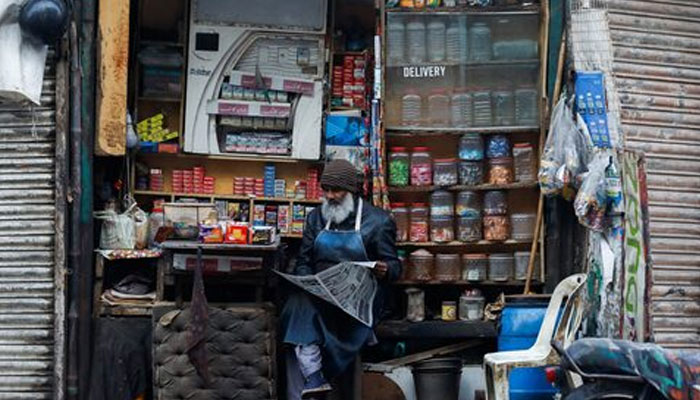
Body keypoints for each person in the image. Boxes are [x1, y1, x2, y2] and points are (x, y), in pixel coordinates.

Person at [280, 159, 401, 399]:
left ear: (352, 191)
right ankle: (313, 377)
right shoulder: (315, 218)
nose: (330, 195)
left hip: (359, 301)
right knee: (298, 302)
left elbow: (396, 266)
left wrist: (385, 269)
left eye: (337, 190)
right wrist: (309, 282)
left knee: (301, 311)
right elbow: (304, 261)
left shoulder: (378, 221)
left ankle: (313, 375)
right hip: (322, 294)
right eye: (326, 190)